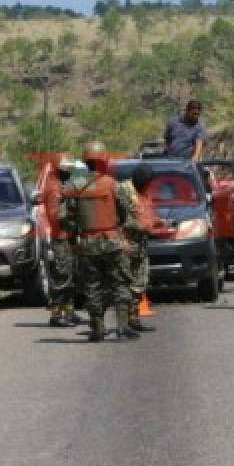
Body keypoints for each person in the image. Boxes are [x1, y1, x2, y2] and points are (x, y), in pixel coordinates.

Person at [60, 142, 139, 341]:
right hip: (112, 241)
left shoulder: (76, 186)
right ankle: (122, 327)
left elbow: (67, 217)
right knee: (120, 282)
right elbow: (124, 212)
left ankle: (97, 329)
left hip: (88, 244)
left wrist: (73, 238)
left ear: (86, 162)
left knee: (92, 286)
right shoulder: (112, 184)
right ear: (104, 160)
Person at [124, 163, 163, 334]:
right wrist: (144, 227)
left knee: (141, 281)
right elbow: (122, 220)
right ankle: (123, 321)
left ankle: (133, 318)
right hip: (126, 244)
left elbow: (147, 214)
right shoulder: (124, 193)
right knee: (125, 283)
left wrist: (158, 222)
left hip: (140, 244)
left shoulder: (144, 193)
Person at [44, 158, 79, 328]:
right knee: (61, 276)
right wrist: (73, 220)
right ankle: (56, 315)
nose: (70, 173)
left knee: (69, 275)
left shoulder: (60, 186)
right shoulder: (54, 189)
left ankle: (69, 311)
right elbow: (55, 215)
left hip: (67, 237)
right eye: (68, 170)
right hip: (60, 238)